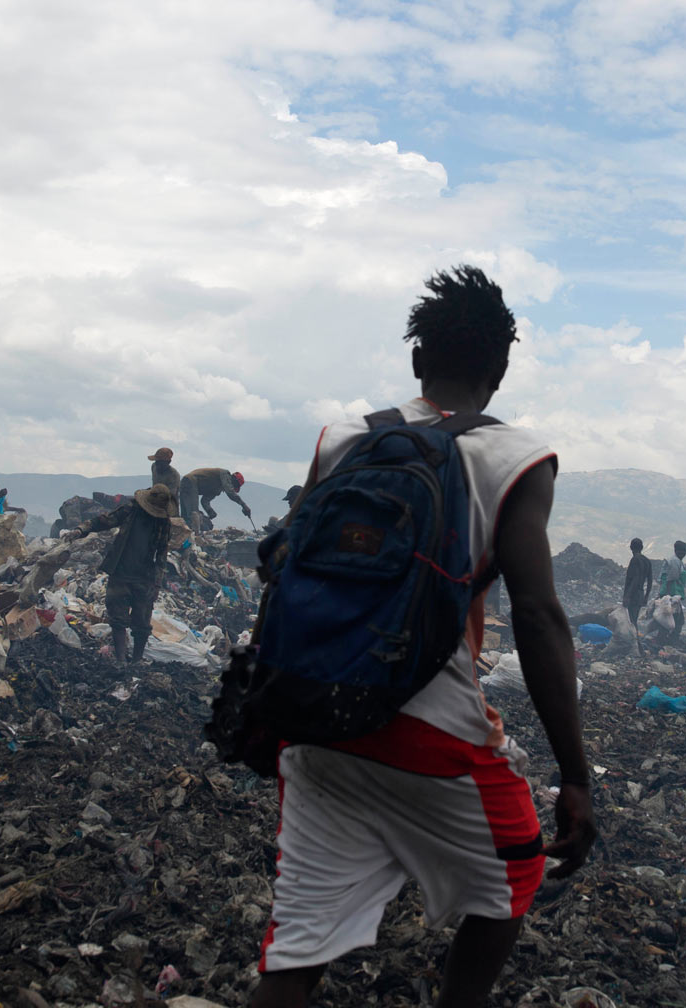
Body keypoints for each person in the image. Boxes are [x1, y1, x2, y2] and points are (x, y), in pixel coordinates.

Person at [250, 266, 595, 1008]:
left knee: (299, 945)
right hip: (429, 731)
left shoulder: (343, 437)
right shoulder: (516, 458)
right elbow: (537, 616)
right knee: (516, 870)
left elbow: (283, 566)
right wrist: (576, 775)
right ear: (499, 371)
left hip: (314, 721)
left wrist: (262, 702)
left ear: (417, 360)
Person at [66, 485, 174, 663]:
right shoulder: (131, 510)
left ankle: (136, 661)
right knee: (117, 618)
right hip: (121, 571)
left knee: (142, 622)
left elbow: (162, 553)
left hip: (145, 577)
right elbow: (104, 520)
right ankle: (121, 660)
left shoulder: (163, 522)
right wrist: (81, 529)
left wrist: (156, 584)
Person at [180, 467, 250, 529]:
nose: (232, 488)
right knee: (193, 514)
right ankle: (194, 538)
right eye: (234, 486)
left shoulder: (216, 489)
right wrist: (244, 505)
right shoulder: (225, 474)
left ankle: (185, 537)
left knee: (186, 516)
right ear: (233, 480)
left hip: (187, 483)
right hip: (190, 481)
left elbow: (204, 501)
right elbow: (230, 492)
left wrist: (210, 511)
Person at [658, 540, 686, 640]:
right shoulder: (675, 561)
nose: (683, 553)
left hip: (673, 595)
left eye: (685, 551)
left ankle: (664, 639)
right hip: (672, 595)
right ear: (676, 550)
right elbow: (672, 579)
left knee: (668, 618)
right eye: (681, 551)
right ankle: (669, 640)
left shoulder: (677, 561)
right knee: (676, 620)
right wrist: (669, 598)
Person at [622, 538, 653, 629]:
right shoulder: (647, 561)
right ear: (642, 547)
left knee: (631, 620)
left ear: (631, 547)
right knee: (634, 619)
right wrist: (646, 596)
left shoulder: (635, 560)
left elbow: (635, 579)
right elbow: (650, 581)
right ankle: (635, 640)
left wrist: (627, 596)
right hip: (640, 594)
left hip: (633, 595)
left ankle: (634, 640)